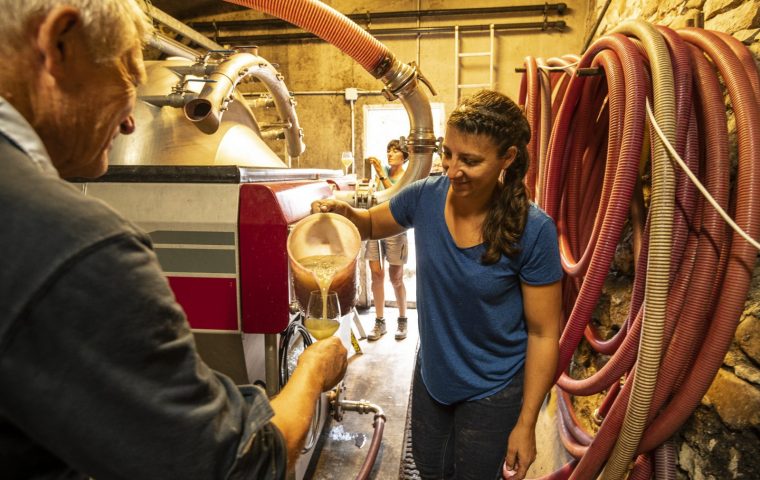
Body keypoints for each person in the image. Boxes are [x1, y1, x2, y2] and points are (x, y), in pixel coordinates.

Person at [0, 1, 347, 479]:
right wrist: (313, 370)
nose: (128, 123)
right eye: (126, 79)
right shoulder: (75, 246)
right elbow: (235, 464)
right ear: (60, 43)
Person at [313, 90, 561, 480]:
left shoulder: (534, 230)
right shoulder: (426, 197)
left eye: (471, 160)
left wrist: (526, 423)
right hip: (434, 378)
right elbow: (373, 224)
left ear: (507, 158)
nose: (452, 169)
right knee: (430, 470)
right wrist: (346, 213)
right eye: (449, 153)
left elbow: (544, 333)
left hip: (494, 388)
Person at [364, 139, 409, 340]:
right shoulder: (380, 172)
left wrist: (381, 175)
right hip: (374, 225)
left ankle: (402, 319)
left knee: (396, 277)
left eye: (395, 151)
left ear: (405, 156)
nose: (390, 154)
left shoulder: (406, 176)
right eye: (388, 151)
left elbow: (396, 195)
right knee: (376, 274)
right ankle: (379, 322)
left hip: (395, 228)